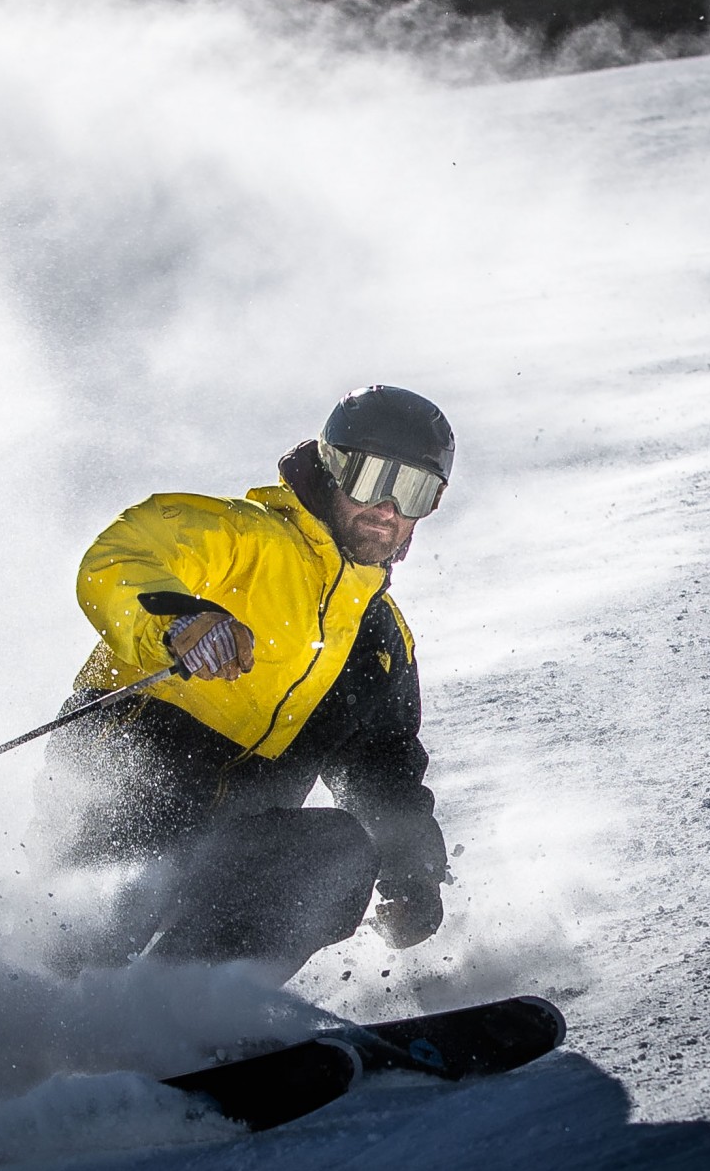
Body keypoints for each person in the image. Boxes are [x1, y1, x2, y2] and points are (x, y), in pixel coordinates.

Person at [36, 385, 455, 981]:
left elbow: (383, 766)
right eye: (372, 478)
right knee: (122, 888)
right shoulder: (243, 538)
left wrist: (413, 874)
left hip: (233, 841)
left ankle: (181, 1007)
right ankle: (57, 984)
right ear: (332, 467)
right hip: (123, 795)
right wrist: (179, 620)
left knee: (338, 852)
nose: (388, 508)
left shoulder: (378, 641)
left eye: (413, 490)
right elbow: (121, 556)